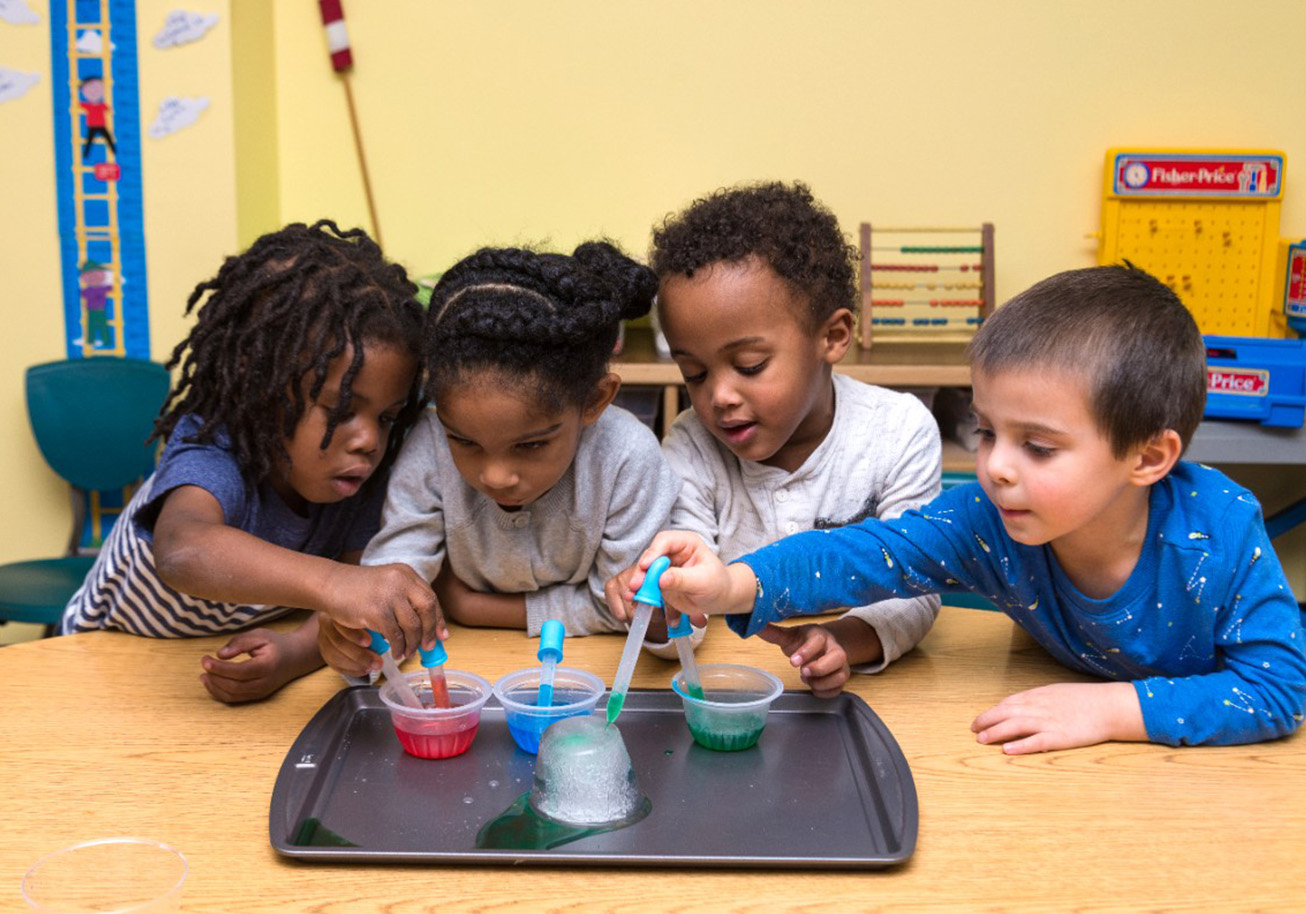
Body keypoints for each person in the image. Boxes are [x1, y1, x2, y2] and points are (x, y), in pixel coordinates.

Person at [627, 263, 1306, 752]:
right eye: (987, 432)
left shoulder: (1220, 534)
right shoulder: (990, 521)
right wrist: (731, 584)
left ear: (1147, 458)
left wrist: (1112, 709)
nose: (995, 468)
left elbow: (1280, 687)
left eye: (1038, 447)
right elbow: (866, 553)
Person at [61, 221, 443, 703]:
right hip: (101, 663)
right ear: (261, 388)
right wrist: (334, 582)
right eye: (341, 410)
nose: (369, 440)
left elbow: (340, 612)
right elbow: (183, 550)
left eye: (387, 417)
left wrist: (295, 654)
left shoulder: (357, 478)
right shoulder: (216, 445)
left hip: (202, 677)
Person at [605, 181, 942, 696]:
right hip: (733, 689)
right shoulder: (692, 446)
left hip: (871, 696)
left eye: (750, 365)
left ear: (832, 337)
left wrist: (843, 641)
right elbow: (688, 609)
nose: (719, 396)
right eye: (694, 373)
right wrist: (658, 615)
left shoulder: (899, 432)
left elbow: (917, 585)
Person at [316, 242, 681, 679]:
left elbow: (632, 612)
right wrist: (365, 637)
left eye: (530, 445)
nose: (495, 476)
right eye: (464, 441)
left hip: (592, 672)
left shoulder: (627, 458)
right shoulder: (428, 447)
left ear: (594, 400)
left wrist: (474, 607)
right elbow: (394, 577)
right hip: (471, 665)